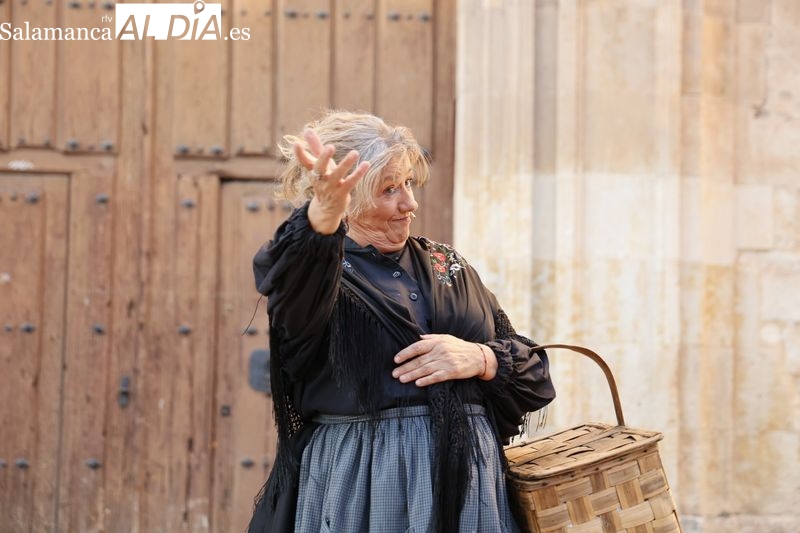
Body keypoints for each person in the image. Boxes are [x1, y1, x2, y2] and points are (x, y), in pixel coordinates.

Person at [247, 111, 555, 533]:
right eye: (389, 189)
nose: (409, 202)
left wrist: (482, 358)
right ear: (347, 197)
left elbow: (531, 367)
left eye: (408, 182)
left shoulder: (448, 265)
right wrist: (321, 219)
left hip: (471, 486)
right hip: (366, 481)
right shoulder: (319, 276)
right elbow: (289, 275)